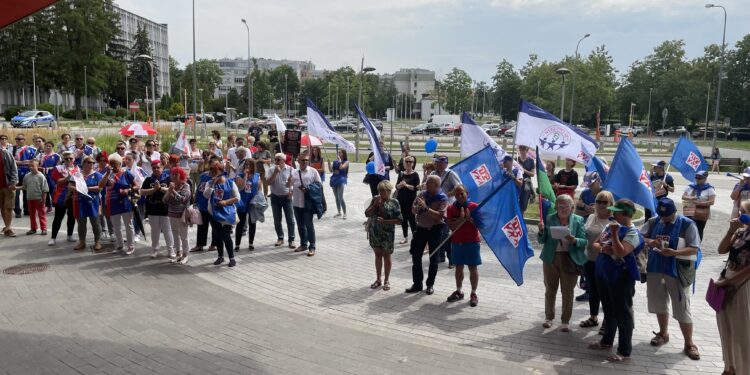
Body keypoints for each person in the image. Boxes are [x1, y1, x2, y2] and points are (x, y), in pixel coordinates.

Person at [640, 197, 701, 360]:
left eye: (667, 216)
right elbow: (640, 237)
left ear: (674, 211)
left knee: (682, 307)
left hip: (677, 271)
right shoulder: (654, 221)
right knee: (659, 303)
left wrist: (675, 253)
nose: (664, 218)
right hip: (655, 268)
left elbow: (694, 249)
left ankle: (689, 343)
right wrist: (650, 241)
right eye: (661, 215)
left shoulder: (687, 224)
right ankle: (663, 333)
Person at [588, 199, 643, 362]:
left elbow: (621, 252)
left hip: (621, 278)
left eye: (616, 212)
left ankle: (624, 350)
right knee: (608, 310)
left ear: (625, 214)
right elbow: (596, 244)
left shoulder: (633, 233)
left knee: (623, 313)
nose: (612, 214)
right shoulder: (610, 226)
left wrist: (612, 237)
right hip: (604, 273)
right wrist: (606, 247)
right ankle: (606, 341)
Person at [537, 194, 587, 332]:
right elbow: (542, 240)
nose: (563, 209)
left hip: (569, 259)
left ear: (572, 207)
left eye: (566, 206)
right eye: (560, 206)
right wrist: (541, 231)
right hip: (551, 258)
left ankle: (565, 321)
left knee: (568, 291)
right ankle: (549, 318)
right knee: (550, 289)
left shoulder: (578, 220)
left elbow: (584, 241)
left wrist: (574, 240)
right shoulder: (549, 218)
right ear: (556, 207)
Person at [715, 201, 750, 375]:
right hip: (728, 279)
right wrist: (731, 231)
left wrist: (728, 282)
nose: (739, 214)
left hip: (743, 284)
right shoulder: (740, 231)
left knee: (741, 329)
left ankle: (744, 369)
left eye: (743, 212)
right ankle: (729, 366)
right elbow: (721, 250)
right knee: (725, 326)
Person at [405, 175, 449, 295]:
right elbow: (413, 211)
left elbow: (440, 216)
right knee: (416, 256)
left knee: (433, 259)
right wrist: (418, 207)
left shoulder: (442, 198)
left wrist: (426, 207)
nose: (426, 184)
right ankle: (417, 283)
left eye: (429, 182)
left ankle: (430, 284)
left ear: (436, 185)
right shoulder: (422, 195)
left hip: (435, 230)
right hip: (421, 229)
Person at [579, 191, 615, 331]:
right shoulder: (591, 217)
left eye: (604, 202)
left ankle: (607, 321)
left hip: (605, 262)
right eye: (598, 201)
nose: (601, 204)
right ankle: (593, 317)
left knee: (606, 291)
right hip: (589, 259)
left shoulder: (613, 221)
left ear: (611, 204)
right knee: (593, 289)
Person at [446, 185, 481, 307]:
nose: (460, 196)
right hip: (457, 242)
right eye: (457, 194)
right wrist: (461, 219)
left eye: (462, 193)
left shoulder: (474, 207)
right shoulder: (450, 208)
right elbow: (450, 226)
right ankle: (459, 291)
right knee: (458, 267)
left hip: (472, 242)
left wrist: (470, 219)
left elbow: (481, 225)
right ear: (454, 196)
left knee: (473, 267)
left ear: (467, 193)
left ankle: (473, 293)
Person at [365, 180, 402, 291]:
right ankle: (378, 279)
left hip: (387, 234)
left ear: (389, 191)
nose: (380, 193)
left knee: (387, 256)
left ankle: (386, 280)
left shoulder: (394, 202)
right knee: (377, 255)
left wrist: (385, 221)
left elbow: (400, 220)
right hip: (375, 233)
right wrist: (374, 205)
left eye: (383, 190)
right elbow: (367, 213)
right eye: (379, 190)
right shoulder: (375, 200)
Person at [100, 153, 139, 255]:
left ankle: (130, 246)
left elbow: (136, 186)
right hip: (113, 203)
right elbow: (100, 185)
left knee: (128, 225)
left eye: (114, 163)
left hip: (125, 202)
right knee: (116, 226)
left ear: (120, 164)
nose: (112, 165)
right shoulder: (108, 175)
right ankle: (119, 245)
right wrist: (107, 174)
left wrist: (128, 190)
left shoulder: (126, 173)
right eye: (111, 163)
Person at [203, 160, 240, 267]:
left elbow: (237, 198)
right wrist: (212, 184)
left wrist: (225, 202)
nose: (213, 174)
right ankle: (220, 256)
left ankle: (232, 258)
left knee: (225, 236)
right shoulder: (209, 183)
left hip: (228, 213)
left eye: (215, 171)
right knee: (218, 236)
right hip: (214, 214)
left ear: (221, 171)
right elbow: (206, 196)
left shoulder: (230, 183)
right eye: (212, 171)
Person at [432, 154, 462, 267]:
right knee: (438, 233)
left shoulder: (450, 174)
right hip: (436, 208)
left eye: (439, 162)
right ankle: (440, 256)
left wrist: (447, 195)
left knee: (446, 235)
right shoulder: (433, 174)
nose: (436, 164)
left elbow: (459, 187)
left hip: (448, 208)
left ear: (445, 164)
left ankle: (452, 259)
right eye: (436, 162)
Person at [141, 161, 174, 259]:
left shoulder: (168, 178)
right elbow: (142, 192)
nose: (156, 169)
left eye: (158, 167)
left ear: (162, 168)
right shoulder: (148, 179)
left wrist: (159, 188)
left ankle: (170, 249)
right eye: (154, 167)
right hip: (152, 209)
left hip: (165, 209)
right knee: (154, 230)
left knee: (168, 230)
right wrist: (153, 190)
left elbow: (171, 190)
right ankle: (155, 249)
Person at [291, 152, 322, 256]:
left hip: (307, 203)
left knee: (309, 225)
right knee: (300, 225)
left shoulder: (313, 171)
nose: (304, 162)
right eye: (302, 160)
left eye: (306, 160)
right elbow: (289, 185)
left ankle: (312, 246)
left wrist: (308, 189)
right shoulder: (294, 172)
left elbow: (319, 185)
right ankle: (303, 244)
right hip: (296, 202)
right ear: (298, 161)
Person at [71, 156, 103, 252]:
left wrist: (86, 189)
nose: (91, 164)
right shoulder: (77, 175)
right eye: (88, 162)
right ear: (83, 163)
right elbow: (70, 186)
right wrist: (79, 189)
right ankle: (82, 242)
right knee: (81, 223)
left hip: (94, 202)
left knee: (95, 222)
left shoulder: (97, 175)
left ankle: (97, 241)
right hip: (80, 201)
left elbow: (100, 187)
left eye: (92, 163)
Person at [191, 155, 221, 252]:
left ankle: (214, 244)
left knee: (215, 226)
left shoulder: (221, 177)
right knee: (202, 225)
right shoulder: (204, 175)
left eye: (216, 165)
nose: (214, 168)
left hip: (214, 206)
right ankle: (200, 245)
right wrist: (195, 200)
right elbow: (199, 188)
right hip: (202, 205)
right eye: (212, 166)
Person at [48, 151, 78, 245]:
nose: (69, 160)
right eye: (66, 158)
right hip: (61, 196)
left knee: (72, 217)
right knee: (58, 217)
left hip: (73, 196)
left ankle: (69, 235)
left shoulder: (77, 169)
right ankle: (53, 237)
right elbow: (58, 182)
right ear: (63, 159)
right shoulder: (58, 168)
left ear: (74, 159)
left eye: (71, 158)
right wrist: (68, 177)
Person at [267, 152, 296, 249]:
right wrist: (275, 172)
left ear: (283, 160)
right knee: (277, 220)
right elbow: (268, 183)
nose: (276, 161)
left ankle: (291, 240)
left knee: (290, 220)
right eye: (275, 159)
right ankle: (280, 237)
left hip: (286, 197)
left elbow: (294, 184)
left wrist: (291, 189)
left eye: (278, 159)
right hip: (275, 197)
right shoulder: (271, 169)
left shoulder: (291, 169)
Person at [164, 167, 192, 264]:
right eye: (173, 174)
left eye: (176, 174)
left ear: (181, 175)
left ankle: (185, 255)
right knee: (175, 235)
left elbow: (182, 199)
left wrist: (173, 191)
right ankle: (178, 254)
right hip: (172, 214)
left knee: (184, 236)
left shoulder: (186, 186)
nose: (174, 176)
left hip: (182, 215)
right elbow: (164, 200)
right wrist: (169, 192)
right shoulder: (172, 185)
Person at [681, 170, 716, 241]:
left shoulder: (709, 189)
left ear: (705, 179)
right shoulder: (690, 186)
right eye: (696, 177)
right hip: (689, 211)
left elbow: (712, 202)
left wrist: (699, 203)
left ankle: (697, 247)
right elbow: (683, 197)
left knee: (699, 230)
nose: (697, 179)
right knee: (687, 229)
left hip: (700, 213)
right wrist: (690, 197)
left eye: (699, 178)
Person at [235, 159, 261, 251]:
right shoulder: (239, 175)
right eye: (246, 165)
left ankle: (251, 243)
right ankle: (237, 244)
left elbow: (259, 189)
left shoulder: (257, 176)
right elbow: (241, 186)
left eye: (249, 165)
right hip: (243, 201)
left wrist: (259, 201)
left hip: (252, 201)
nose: (247, 166)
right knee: (240, 223)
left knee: (252, 223)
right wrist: (245, 176)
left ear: (253, 166)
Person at [20, 159, 48, 236]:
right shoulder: (27, 176)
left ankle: (44, 228)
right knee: (32, 214)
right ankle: (33, 228)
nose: (31, 167)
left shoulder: (41, 176)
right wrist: (15, 188)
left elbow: (45, 189)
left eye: (33, 166)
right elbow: (24, 186)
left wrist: (43, 199)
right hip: (30, 198)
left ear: (37, 166)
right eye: (30, 166)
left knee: (41, 214)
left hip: (39, 199)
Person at [396, 155, 419, 244]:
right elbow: (396, 186)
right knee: (403, 219)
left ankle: (415, 236)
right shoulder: (401, 173)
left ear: (413, 164)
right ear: (404, 163)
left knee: (411, 219)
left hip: (411, 200)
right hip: (401, 199)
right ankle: (405, 237)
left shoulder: (415, 174)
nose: (409, 163)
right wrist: (400, 185)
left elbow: (416, 188)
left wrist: (406, 185)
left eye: (411, 162)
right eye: (407, 161)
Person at [14, 133, 37, 218]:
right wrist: (22, 162)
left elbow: (34, 161)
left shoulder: (31, 149)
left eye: (20, 139)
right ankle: (17, 211)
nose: (18, 140)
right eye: (17, 139)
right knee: (15, 193)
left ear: (24, 140)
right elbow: (11, 161)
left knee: (27, 192)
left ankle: (27, 210)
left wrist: (29, 163)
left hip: (27, 174)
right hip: (15, 174)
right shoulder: (12, 149)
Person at [0, 144, 18, 237]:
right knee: (2, 207)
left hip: (8, 184)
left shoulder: (5, 153)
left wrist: (13, 182)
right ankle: (6, 227)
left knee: (9, 207)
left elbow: (13, 167)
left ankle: (8, 228)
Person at [96, 153, 114, 241]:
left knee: (108, 214)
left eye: (104, 160)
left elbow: (112, 182)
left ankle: (112, 232)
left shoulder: (109, 169)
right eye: (100, 160)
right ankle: (103, 231)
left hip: (107, 194)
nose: (102, 162)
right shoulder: (95, 169)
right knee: (100, 214)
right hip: (98, 194)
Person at [39, 141, 60, 212]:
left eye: (50, 146)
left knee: (53, 190)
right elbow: (37, 164)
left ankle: (56, 205)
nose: (48, 147)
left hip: (52, 175)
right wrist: (41, 167)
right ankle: (48, 206)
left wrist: (51, 168)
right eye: (46, 146)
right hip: (43, 174)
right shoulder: (41, 155)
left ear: (52, 147)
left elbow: (58, 166)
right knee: (45, 190)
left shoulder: (56, 156)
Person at [516, 145, 536, 213]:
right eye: (520, 149)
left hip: (526, 185)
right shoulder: (516, 159)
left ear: (527, 150)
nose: (522, 151)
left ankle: (521, 218)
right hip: (517, 183)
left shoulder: (531, 161)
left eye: (523, 149)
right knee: (515, 203)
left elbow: (532, 174)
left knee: (523, 204)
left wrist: (523, 169)